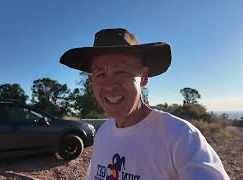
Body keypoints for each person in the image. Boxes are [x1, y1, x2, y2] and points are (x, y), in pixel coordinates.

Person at [60, 28, 229, 180]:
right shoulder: (103, 133)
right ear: (91, 81)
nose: (109, 85)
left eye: (120, 71)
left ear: (143, 77)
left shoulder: (180, 137)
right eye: (100, 74)